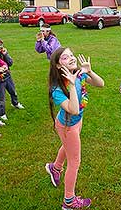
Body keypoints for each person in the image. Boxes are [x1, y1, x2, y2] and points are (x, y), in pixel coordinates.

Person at [45, 47, 104, 209]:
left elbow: (101, 84)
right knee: (74, 162)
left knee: (68, 147)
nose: (71, 58)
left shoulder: (79, 74)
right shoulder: (57, 89)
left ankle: (55, 168)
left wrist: (90, 72)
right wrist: (71, 85)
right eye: (65, 58)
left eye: (71, 55)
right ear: (58, 65)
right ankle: (69, 201)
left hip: (77, 121)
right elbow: (74, 109)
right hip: (67, 126)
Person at [0, 38, 25, 122]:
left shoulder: (3, 53)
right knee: (1, 98)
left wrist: (6, 54)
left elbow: (10, 63)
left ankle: (15, 103)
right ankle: (2, 113)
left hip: (7, 77)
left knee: (13, 91)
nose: (0, 47)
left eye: (1, 45)